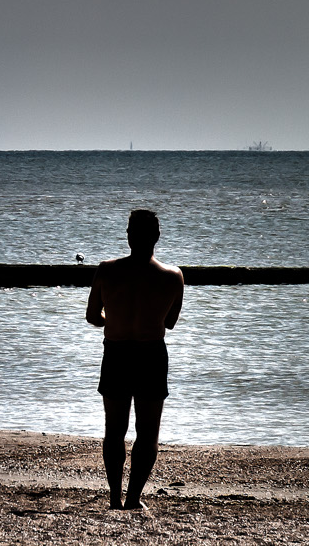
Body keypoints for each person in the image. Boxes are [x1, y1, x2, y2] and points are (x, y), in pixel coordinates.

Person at [85, 208, 185, 510]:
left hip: (116, 352)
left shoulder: (106, 270)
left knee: (114, 430)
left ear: (128, 236)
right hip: (151, 354)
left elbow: (92, 316)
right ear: (157, 237)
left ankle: (115, 497)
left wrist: (112, 318)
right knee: (147, 432)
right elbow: (169, 323)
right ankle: (133, 498)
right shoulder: (172, 276)